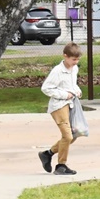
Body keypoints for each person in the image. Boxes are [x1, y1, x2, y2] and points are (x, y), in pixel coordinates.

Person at [38, 42, 83, 175]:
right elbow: (46, 88)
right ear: (65, 56)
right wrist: (64, 95)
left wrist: (77, 90)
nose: (76, 62)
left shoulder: (74, 69)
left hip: (71, 104)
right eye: (73, 59)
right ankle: (61, 166)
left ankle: (47, 154)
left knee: (74, 135)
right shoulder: (57, 71)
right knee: (67, 136)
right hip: (58, 106)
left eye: (78, 59)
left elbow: (72, 84)